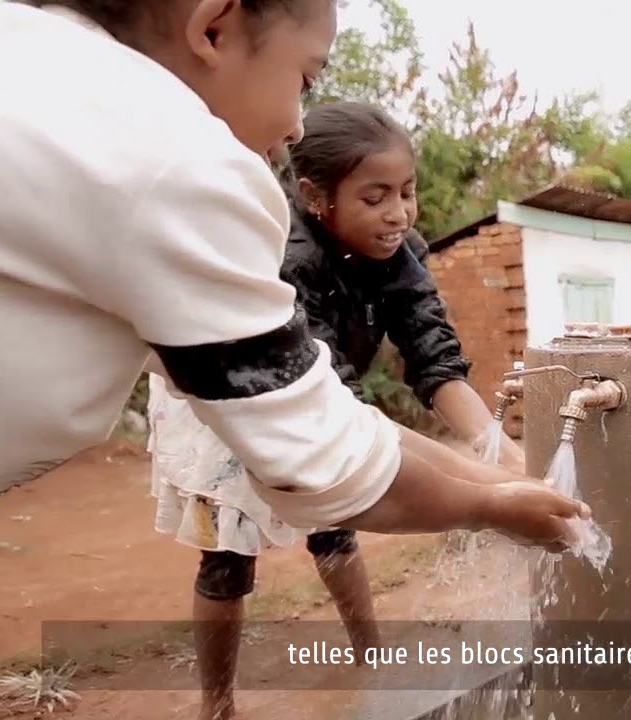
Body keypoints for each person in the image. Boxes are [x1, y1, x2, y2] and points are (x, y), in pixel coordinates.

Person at [0, 2, 581, 545]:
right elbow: (326, 456)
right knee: (228, 552)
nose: (298, 125)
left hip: (276, 407)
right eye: (304, 79)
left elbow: (420, 353)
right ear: (213, 26)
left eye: (407, 193)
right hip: (249, 420)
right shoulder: (183, 167)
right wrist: (493, 506)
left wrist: (493, 462)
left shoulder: (24, 52)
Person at [147, 101, 526, 720]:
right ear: (315, 196)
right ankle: (217, 704)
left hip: (323, 393)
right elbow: (334, 405)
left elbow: (434, 356)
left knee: (336, 524)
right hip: (233, 397)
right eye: (375, 197)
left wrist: (498, 451)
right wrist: (490, 489)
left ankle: (371, 655)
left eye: (407, 192)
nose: (398, 212)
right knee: (228, 555)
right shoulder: (287, 261)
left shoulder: (400, 256)